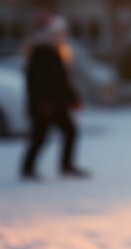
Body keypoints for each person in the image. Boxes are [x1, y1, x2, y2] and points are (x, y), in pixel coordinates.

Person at [19, 13, 89, 180]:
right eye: (57, 33)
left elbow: (62, 82)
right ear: (48, 34)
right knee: (39, 138)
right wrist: (41, 103)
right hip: (44, 106)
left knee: (70, 132)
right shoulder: (39, 54)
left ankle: (66, 166)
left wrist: (73, 99)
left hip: (58, 105)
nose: (61, 36)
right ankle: (27, 169)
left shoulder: (56, 53)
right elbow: (35, 83)